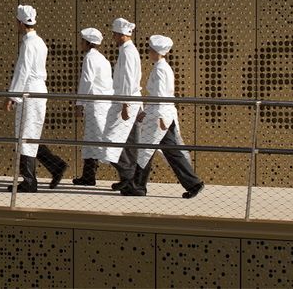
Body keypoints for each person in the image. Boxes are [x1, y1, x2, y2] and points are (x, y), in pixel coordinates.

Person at [120, 34, 205, 199]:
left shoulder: (159, 69)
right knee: (168, 151)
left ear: (156, 51)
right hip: (163, 114)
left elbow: (158, 96)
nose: (148, 52)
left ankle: (138, 186)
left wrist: (149, 114)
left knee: (146, 149)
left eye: (150, 50)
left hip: (159, 116)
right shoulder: (163, 67)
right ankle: (192, 183)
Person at [3, 4, 67, 191]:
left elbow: (22, 71)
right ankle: (55, 165)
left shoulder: (28, 44)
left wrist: (12, 96)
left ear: (21, 23)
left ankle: (29, 181)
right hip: (39, 90)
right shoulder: (39, 42)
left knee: (24, 136)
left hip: (29, 91)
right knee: (31, 134)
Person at [71, 27, 118, 185]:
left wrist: (79, 103)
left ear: (87, 42)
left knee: (101, 140)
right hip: (100, 105)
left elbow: (86, 82)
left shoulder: (90, 58)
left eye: (81, 41)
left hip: (96, 105)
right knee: (91, 140)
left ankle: (127, 175)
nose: (80, 44)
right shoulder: (102, 59)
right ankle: (88, 176)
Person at [108, 17, 143, 191]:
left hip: (126, 102)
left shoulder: (128, 52)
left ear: (121, 35)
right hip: (128, 101)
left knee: (110, 140)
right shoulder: (127, 50)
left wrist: (125, 105)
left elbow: (129, 80)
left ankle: (129, 175)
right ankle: (127, 178)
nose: (113, 37)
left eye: (114, 34)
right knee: (127, 143)